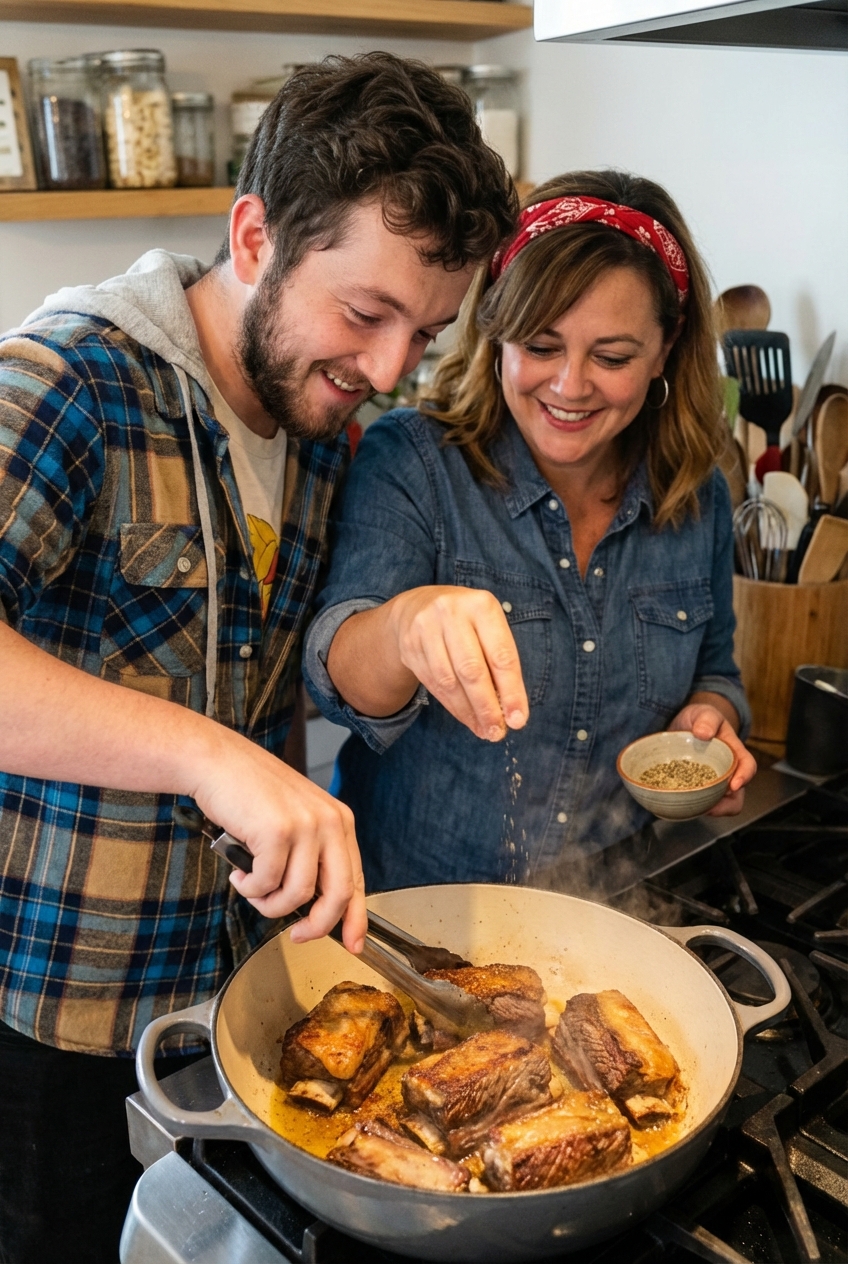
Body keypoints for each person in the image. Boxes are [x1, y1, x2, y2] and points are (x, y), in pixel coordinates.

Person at [0, 53, 516, 1262]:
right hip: (53, 1020)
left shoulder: (323, 426)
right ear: (252, 235)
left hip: (237, 1006)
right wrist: (209, 759)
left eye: (426, 334)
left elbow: (268, 687)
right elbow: (216, 743)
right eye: (365, 313)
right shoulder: (68, 379)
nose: (388, 370)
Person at [303, 170, 757, 894]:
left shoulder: (696, 494)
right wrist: (404, 627)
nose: (570, 386)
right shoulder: (416, 462)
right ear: (497, 331)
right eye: (541, 346)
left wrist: (711, 718)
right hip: (418, 914)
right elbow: (337, 675)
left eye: (612, 357)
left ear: (665, 350)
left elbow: (717, 671)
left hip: (612, 908)